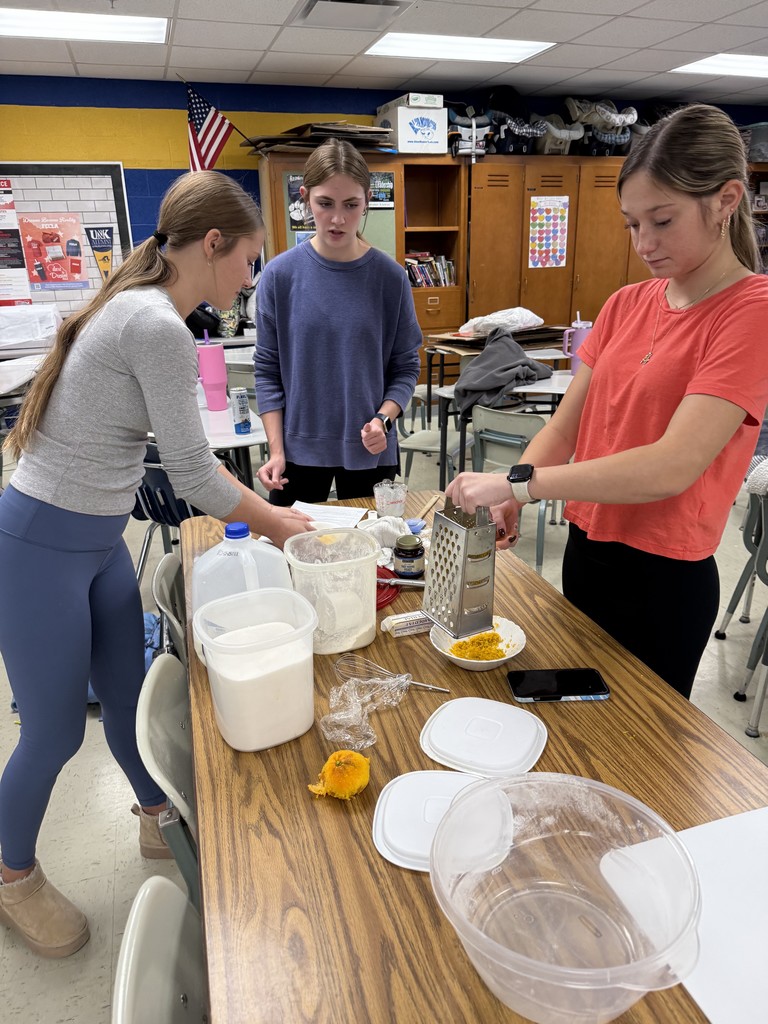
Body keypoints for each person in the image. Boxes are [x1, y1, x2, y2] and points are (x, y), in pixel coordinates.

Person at [0, 171, 313, 958]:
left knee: (130, 693)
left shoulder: (142, 309)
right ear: (212, 246)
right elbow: (198, 475)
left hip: (96, 542)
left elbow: (183, 465)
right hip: (39, 546)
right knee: (54, 731)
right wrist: (277, 525)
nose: (250, 277)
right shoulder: (156, 324)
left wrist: (265, 513)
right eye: (247, 260)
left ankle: (155, 818)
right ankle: (10, 875)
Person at [447, 103, 768, 701]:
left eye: (662, 221)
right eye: (631, 224)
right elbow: (567, 428)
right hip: (589, 554)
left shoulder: (751, 310)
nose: (644, 242)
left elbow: (671, 467)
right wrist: (517, 483)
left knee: (643, 752)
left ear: (726, 200)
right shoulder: (626, 304)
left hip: (665, 576)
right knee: (581, 723)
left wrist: (519, 486)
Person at [254, 138, 422, 504]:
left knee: (373, 557)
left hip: (371, 447)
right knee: (291, 553)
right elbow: (267, 371)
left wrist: (385, 419)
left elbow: (406, 367)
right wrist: (276, 450)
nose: (338, 219)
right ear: (304, 197)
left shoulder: (390, 278)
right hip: (297, 453)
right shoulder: (280, 276)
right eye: (325, 203)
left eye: (351, 205)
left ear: (367, 202)